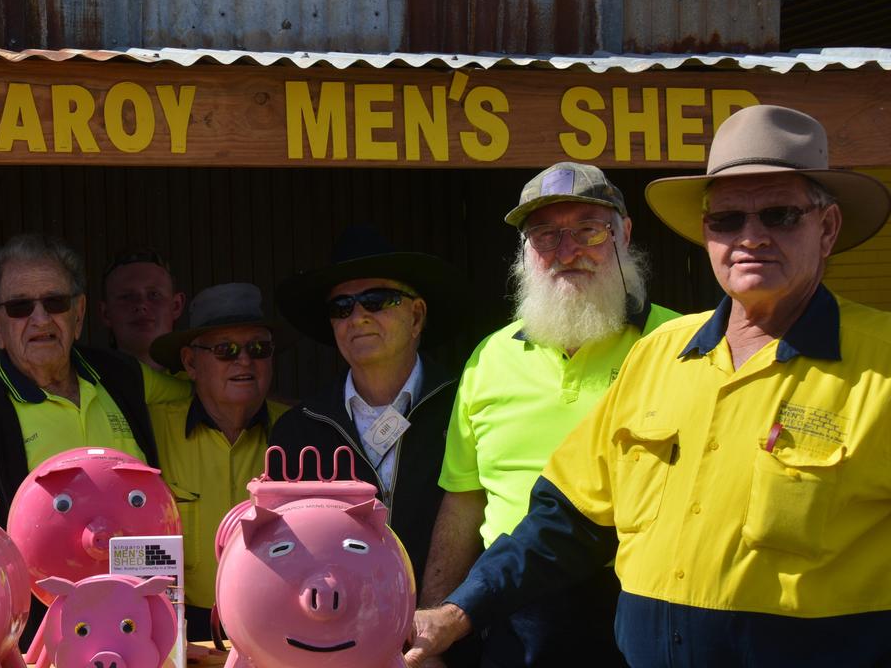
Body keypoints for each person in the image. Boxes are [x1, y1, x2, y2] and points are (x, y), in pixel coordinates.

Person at [407, 105, 891, 667]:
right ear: (706, 233)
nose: (751, 238)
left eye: (780, 215)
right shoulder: (660, 355)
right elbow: (565, 521)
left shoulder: (879, 363)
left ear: (827, 228)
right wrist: (456, 611)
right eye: (727, 220)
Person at [418, 163, 679, 667]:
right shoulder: (489, 356)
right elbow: (463, 502)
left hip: (643, 607)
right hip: (510, 613)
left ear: (624, 233)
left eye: (588, 229)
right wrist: (434, 622)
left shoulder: (679, 343)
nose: (567, 251)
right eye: (544, 235)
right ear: (525, 253)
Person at [0, 232, 189, 527]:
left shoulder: (125, 377)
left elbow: (204, 400)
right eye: (20, 307)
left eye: (55, 302)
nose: (41, 319)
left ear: (79, 314)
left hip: (141, 573)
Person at [269, 226, 464, 588]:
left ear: (417, 316)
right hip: (335, 630)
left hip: (452, 631)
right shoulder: (298, 429)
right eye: (341, 307)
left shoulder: (466, 406)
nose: (357, 316)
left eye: (377, 300)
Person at [147, 282, 288, 640]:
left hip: (279, 626)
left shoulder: (298, 430)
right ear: (191, 362)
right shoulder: (149, 431)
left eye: (258, 348)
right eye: (226, 350)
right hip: (177, 630)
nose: (245, 360)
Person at [100, 247, 185, 371]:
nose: (141, 305)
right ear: (106, 313)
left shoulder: (203, 386)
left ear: (176, 306)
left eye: (154, 295)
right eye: (126, 296)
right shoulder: (82, 385)